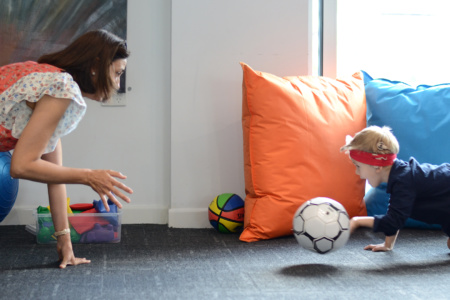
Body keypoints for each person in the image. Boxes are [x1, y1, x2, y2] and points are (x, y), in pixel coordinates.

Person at [0, 29, 133, 268]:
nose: (118, 83)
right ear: (95, 65)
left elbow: (54, 173)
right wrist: (88, 176)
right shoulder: (61, 87)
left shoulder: (50, 77)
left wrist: (65, 241)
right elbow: (21, 166)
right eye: (117, 73)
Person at [341, 125, 450, 252]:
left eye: (358, 166)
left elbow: (392, 221)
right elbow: (395, 216)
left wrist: (357, 221)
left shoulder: (404, 181)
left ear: (377, 166)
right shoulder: (400, 178)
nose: (357, 172)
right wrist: (388, 245)